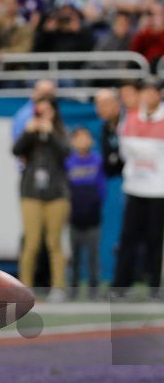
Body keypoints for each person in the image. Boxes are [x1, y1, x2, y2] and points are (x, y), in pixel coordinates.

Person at [13, 95, 71, 299]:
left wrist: (51, 132)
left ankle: (58, 287)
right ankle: (24, 287)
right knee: (31, 242)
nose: (42, 115)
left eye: (46, 110)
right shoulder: (31, 133)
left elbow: (66, 153)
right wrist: (29, 132)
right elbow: (15, 150)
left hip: (57, 194)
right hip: (32, 193)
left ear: (54, 112)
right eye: (39, 111)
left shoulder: (61, 132)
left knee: (54, 242)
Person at [113, 80, 164, 298]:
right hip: (134, 188)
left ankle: (155, 286)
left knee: (156, 240)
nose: (148, 97)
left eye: (152, 92)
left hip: (158, 190)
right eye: (145, 92)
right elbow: (124, 152)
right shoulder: (130, 117)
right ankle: (120, 287)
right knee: (128, 239)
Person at [66, 127, 106, 299]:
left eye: (86, 137)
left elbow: (102, 188)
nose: (83, 141)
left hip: (92, 217)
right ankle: (73, 288)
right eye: (79, 137)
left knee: (93, 255)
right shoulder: (68, 162)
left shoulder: (97, 161)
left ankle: (94, 289)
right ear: (73, 141)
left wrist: (95, 205)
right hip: (73, 217)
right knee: (73, 256)